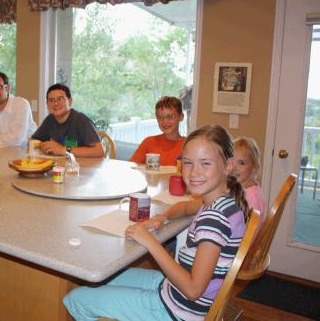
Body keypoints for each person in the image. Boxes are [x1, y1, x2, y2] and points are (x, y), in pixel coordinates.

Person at [63, 124, 250, 321]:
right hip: (175, 292)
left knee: (77, 299)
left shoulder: (214, 220)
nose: (194, 172)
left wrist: (150, 242)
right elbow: (186, 208)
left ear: (228, 166)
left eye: (205, 163)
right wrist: (163, 217)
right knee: (104, 278)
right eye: (187, 163)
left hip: (180, 311)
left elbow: (193, 290)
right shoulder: (225, 202)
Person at [31, 83, 104, 158]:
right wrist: (42, 145)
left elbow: (99, 151)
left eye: (60, 99)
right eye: (51, 100)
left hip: (82, 166)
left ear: (70, 101)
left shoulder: (81, 120)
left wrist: (64, 150)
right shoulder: (50, 119)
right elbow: (32, 140)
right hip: (60, 165)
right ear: (47, 104)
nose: (55, 103)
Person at [130, 96, 185, 166]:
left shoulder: (187, 146)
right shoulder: (149, 142)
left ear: (181, 117)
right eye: (160, 117)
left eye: (170, 117)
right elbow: (132, 167)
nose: (165, 122)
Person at [234, 136, 266, 225]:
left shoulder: (250, 198)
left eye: (241, 163)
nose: (234, 168)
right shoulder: (247, 189)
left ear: (255, 168)